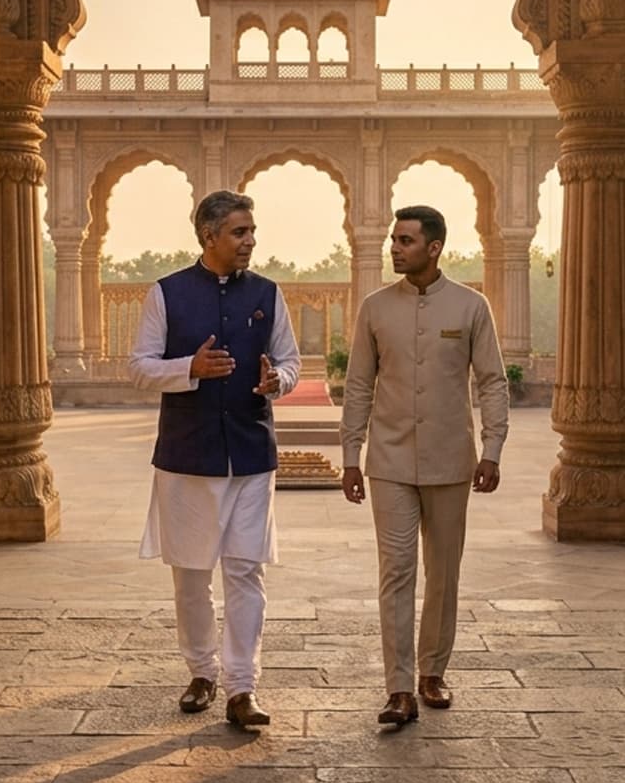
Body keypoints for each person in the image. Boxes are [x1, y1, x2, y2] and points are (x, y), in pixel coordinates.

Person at [129, 189, 301, 728]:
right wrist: (189, 369)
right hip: (187, 456)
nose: (250, 241)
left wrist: (278, 381)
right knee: (191, 574)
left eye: (252, 232)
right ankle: (201, 673)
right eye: (239, 232)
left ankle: (242, 688)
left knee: (246, 571)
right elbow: (139, 367)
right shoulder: (167, 293)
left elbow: (291, 362)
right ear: (209, 236)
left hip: (250, 454)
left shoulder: (268, 294)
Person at [339, 205, 508, 729]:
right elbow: (358, 385)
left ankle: (432, 672)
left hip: (450, 461)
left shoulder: (470, 306)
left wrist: (492, 449)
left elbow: (492, 382)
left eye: (406, 241)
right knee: (396, 571)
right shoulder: (375, 308)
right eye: (394, 239)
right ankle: (399, 687)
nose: (395, 248)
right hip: (389, 461)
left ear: (433, 248)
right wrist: (350, 456)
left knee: (443, 572)